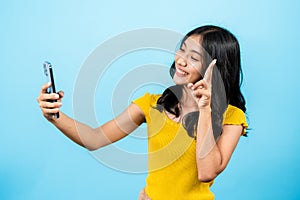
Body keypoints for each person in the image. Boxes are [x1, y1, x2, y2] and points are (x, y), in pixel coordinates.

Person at [37, 25, 248, 200]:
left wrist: (204, 109)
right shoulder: (151, 104)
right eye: (182, 50)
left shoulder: (232, 118)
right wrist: (55, 116)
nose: (181, 60)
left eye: (193, 57)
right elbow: (95, 138)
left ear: (215, 70)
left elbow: (206, 173)